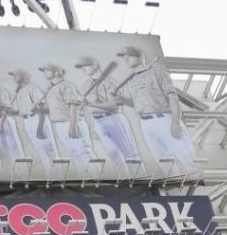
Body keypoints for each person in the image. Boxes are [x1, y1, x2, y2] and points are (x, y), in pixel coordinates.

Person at [114, 46, 198, 175]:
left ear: (140, 56)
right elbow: (137, 103)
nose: (126, 58)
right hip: (146, 124)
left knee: (187, 161)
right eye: (124, 57)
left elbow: (173, 98)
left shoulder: (158, 73)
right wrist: (122, 99)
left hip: (164, 120)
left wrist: (175, 122)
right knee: (165, 165)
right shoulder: (132, 80)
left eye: (129, 55)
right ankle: (176, 192)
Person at [75, 55, 141, 174]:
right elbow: (87, 110)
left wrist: (91, 103)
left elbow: (114, 105)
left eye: (86, 65)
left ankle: (141, 182)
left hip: (114, 119)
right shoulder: (85, 85)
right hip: (98, 123)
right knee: (114, 155)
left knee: (130, 155)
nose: (83, 68)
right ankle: (125, 182)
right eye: (81, 67)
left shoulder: (110, 82)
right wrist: (93, 127)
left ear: (95, 64)